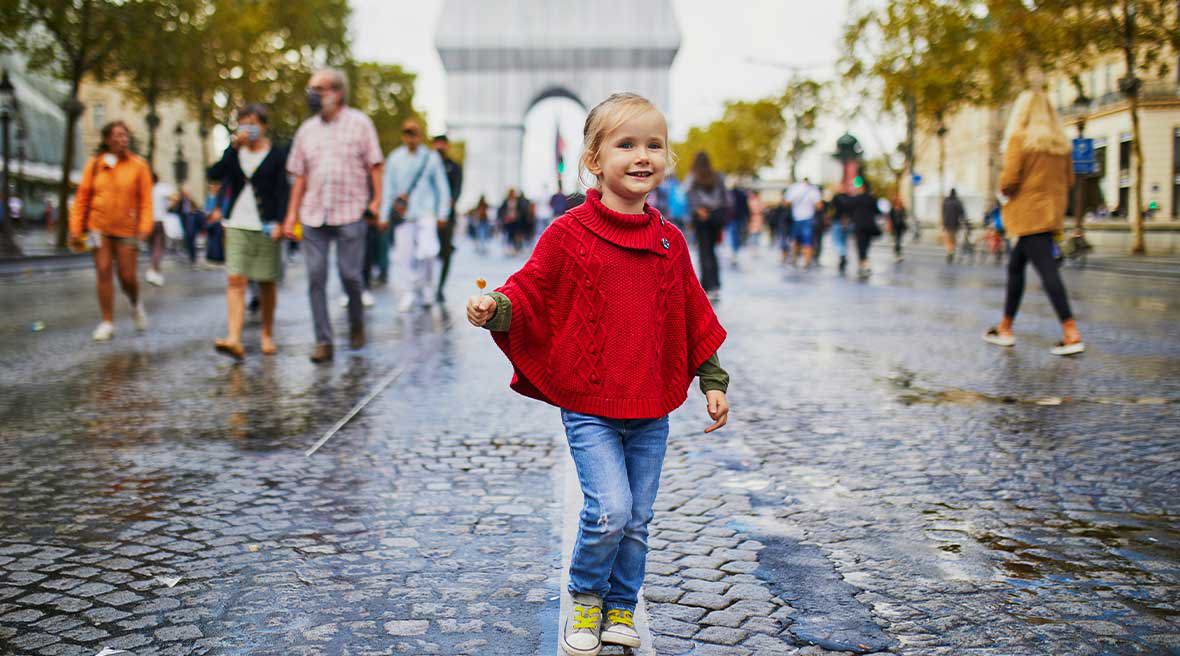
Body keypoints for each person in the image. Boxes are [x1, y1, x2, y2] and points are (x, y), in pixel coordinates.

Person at [465, 93, 730, 656]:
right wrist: (496, 310)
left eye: (653, 145)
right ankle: (586, 597)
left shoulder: (669, 241)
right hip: (590, 405)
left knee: (637, 520)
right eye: (626, 144)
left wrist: (712, 381)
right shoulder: (567, 234)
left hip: (651, 406)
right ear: (592, 158)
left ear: (668, 157)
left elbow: (692, 312)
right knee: (610, 510)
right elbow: (531, 292)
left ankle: (620, 607)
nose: (642, 156)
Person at [282, 67, 384, 363]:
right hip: (314, 214)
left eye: (320, 89)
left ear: (338, 93)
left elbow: (375, 165)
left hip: (351, 210)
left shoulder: (360, 124)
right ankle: (323, 341)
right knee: (315, 277)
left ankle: (356, 324)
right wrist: (291, 215)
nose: (312, 94)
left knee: (351, 276)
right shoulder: (306, 130)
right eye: (311, 88)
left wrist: (376, 201)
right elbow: (299, 176)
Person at [984, 88, 1085, 356]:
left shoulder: (1021, 139)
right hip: (1051, 212)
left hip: (1028, 214)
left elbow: (1009, 181)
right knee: (1016, 266)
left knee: (1047, 270)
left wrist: (1005, 191)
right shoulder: (1061, 145)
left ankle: (1071, 332)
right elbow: (1070, 180)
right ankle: (1005, 327)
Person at [206, 103, 289, 360]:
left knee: (266, 282)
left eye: (253, 122)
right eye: (243, 122)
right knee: (235, 279)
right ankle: (234, 337)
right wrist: (232, 148)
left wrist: (283, 222)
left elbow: (282, 191)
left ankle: (267, 333)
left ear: (263, 125)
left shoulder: (276, 154)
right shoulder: (235, 153)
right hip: (237, 223)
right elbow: (214, 174)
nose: (248, 128)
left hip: (266, 224)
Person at [69, 121, 153, 341]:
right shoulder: (95, 164)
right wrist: (76, 228)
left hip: (127, 229)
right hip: (99, 228)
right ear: (107, 139)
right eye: (116, 135)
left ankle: (135, 304)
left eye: (125, 135)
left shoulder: (139, 166)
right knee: (103, 271)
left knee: (127, 276)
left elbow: (146, 200)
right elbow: (82, 197)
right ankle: (107, 322)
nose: (121, 139)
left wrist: (145, 227)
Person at [379, 118, 451, 312]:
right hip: (404, 215)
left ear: (420, 135)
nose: (410, 137)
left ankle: (427, 287)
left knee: (428, 252)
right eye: (407, 133)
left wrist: (443, 213)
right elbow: (388, 189)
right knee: (405, 255)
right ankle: (409, 291)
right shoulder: (394, 158)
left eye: (414, 133)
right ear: (403, 136)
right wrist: (383, 216)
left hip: (426, 212)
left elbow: (442, 188)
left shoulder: (431, 158)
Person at [685, 152, 727, 300]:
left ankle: (706, 285)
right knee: (713, 251)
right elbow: (724, 197)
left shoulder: (692, 177)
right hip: (715, 216)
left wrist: (698, 209)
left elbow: (688, 195)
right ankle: (715, 285)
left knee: (704, 251)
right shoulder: (717, 176)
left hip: (701, 217)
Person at [433, 134, 463, 301]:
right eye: (436, 143)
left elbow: (457, 190)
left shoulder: (454, 167)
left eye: (442, 143)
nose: (439, 147)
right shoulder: (427, 165)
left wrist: (448, 204)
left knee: (445, 253)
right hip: (429, 215)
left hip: (447, 217)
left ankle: (439, 287)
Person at [784, 177, 821, 268]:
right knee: (807, 242)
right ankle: (806, 262)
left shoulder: (794, 188)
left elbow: (786, 203)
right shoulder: (813, 189)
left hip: (796, 218)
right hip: (808, 218)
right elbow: (819, 205)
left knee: (795, 240)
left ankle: (794, 260)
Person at [847, 180, 881, 277]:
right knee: (865, 246)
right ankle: (862, 265)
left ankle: (865, 266)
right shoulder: (872, 199)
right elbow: (877, 211)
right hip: (870, 226)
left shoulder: (855, 199)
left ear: (861, 188)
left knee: (861, 247)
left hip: (860, 226)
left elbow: (848, 208)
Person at [146, 172, 173, 286]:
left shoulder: (145, 189)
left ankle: (155, 271)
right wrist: (167, 207)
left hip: (146, 222)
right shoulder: (162, 188)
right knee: (159, 247)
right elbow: (175, 197)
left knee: (151, 247)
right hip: (158, 221)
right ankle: (153, 270)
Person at [498, 188, 529, 255]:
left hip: (517, 221)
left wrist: (518, 215)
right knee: (510, 235)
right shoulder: (506, 201)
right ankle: (511, 248)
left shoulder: (518, 201)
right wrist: (504, 217)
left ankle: (517, 248)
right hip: (508, 221)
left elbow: (522, 210)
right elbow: (501, 210)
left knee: (517, 235)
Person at [942, 188, 965, 263]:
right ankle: (951, 252)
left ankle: (949, 252)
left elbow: (943, 212)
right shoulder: (958, 202)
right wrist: (963, 221)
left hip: (947, 223)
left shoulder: (945, 201)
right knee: (953, 239)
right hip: (955, 224)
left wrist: (943, 223)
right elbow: (962, 213)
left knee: (948, 239)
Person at [888, 194, 907, 261]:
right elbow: (890, 218)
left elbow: (905, 216)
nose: (899, 201)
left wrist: (905, 222)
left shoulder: (902, 208)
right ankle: (897, 255)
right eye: (897, 200)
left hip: (901, 227)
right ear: (895, 201)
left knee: (899, 241)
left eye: (899, 200)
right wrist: (889, 227)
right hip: (894, 227)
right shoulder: (892, 209)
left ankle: (897, 253)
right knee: (897, 241)